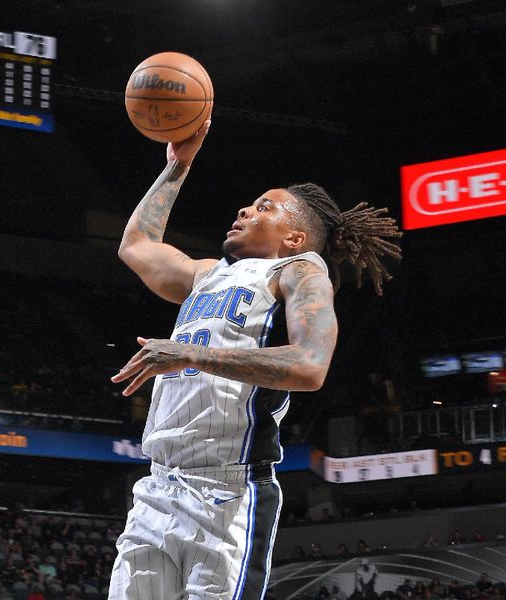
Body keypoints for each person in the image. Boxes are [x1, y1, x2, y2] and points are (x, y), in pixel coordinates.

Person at [108, 120, 401, 600]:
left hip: (227, 495)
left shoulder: (301, 272)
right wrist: (177, 167)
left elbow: (310, 365)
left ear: (294, 238)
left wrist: (190, 352)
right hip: (158, 488)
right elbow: (136, 245)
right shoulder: (207, 275)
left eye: (265, 207)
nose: (246, 208)